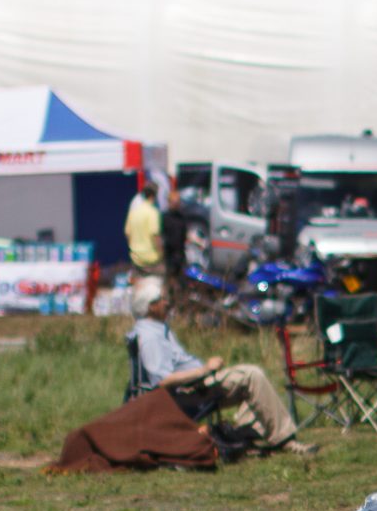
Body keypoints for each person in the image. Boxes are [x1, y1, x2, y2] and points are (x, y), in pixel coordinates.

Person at [127, 275, 313, 454]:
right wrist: (204, 370)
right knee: (252, 376)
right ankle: (286, 440)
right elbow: (163, 380)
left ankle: (244, 435)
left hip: (194, 385)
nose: (166, 303)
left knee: (251, 383)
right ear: (150, 307)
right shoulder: (150, 337)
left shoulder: (155, 329)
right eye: (161, 300)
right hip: (188, 392)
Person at [124, 179, 165, 277]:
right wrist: (162, 253)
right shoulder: (153, 213)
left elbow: (127, 233)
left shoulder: (134, 212)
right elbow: (155, 236)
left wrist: (133, 249)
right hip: (152, 260)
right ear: (154, 195)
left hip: (136, 259)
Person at [156, 173, 191, 280]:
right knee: (170, 279)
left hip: (180, 254)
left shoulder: (182, 216)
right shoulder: (165, 217)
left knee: (181, 280)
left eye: (177, 202)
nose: (175, 204)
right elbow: (161, 234)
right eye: (173, 202)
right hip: (169, 255)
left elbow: (184, 234)